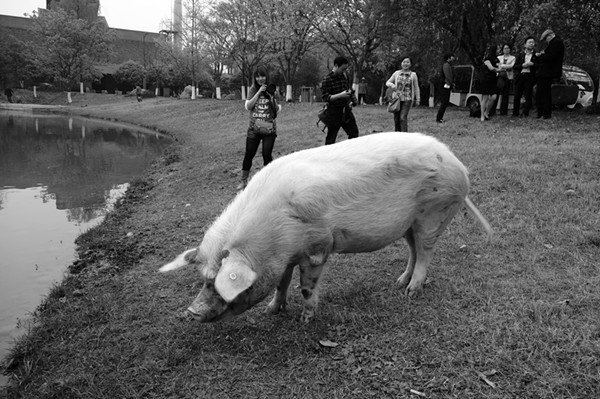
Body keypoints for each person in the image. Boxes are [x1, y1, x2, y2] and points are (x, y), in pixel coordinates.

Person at [236, 67, 280, 190]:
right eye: (258, 76)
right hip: (254, 128)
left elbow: (277, 110)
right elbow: (248, 106)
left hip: (269, 128)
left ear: (266, 76)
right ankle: (244, 181)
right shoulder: (253, 89)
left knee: (267, 153)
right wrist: (259, 92)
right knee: (249, 154)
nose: (261, 78)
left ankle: (268, 180)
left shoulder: (272, 89)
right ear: (255, 78)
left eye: (263, 76)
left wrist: (272, 97)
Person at [320, 55, 359, 145]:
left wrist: (353, 99)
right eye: (342, 69)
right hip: (333, 111)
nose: (344, 71)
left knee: (354, 134)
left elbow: (348, 90)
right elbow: (326, 98)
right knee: (331, 138)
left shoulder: (344, 77)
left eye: (345, 69)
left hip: (346, 111)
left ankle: (349, 153)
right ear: (336, 66)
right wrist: (340, 95)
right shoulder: (327, 80)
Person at [535, 29, 564, 119]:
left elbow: (553, 56)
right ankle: (542, 112)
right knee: (541, 92)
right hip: (545, 72)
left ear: (550, 35)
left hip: (548, 72)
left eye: (546, 39)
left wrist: (541, 56)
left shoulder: (556, 42)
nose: (546, 41)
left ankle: (546, 113)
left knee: (544, 93)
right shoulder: (554, 43)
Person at [385, 57, 421, 132]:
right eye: (404, 62)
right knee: (396, 118)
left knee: (403, 117)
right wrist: (392, 85)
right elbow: (387, 82)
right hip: (397, 99)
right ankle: (397, 135)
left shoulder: (413, 75)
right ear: (401, 63)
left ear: (410, 64)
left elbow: (416, 87)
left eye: (407, 62)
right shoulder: (396, 73)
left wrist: (418, 99)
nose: (405, 64)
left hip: (407, 99)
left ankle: (404, 136)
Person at [512, 36, 537, 117]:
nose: (531, 44)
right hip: (520, 76)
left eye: (533, 42)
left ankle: (525, 113)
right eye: (529, 42)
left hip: (529, 76)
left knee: (528, 96)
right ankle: (515, 113)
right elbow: (515, 66)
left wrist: (532, 64)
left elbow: (539, 65)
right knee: (517, 95)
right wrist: (522, 65)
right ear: (525, 45)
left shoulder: (536, 55)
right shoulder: (520, 54)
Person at [480, 45, 500, 122]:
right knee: (485, 98)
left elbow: (500, 68)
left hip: (494, 80)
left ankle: (487, 112)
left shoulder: (497, 59)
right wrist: (496, 69)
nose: (498, 50)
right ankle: (482, 115)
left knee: (494, 97)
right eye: (497, 49)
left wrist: (496, 69)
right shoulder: (487, 59)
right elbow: (491, 68)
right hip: (486, 79)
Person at [496, 44, 516, 115]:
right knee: (496, 93)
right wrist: (504, 66)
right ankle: (493, 109)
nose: (506, 49)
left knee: (505, 94)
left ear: (510, 49)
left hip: (508, 77)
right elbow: (497, 66)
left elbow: (511, 66)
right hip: (499, 76)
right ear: (502, 50)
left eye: (508, 48)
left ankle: (503, 112)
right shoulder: (499, 57)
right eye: (505, 48)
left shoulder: (513, 58)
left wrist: (502, 66)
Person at [436, 53, 455, 123]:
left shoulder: (448, 65)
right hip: (445, 85)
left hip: (446, 84)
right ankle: (439, 118)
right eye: (452, 57)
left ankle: (440, 117)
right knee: (444, 101)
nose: (453, 58)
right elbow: (448, 76)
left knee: (445, 102)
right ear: (449, 58)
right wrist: (451, 83)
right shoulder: (446, 65)